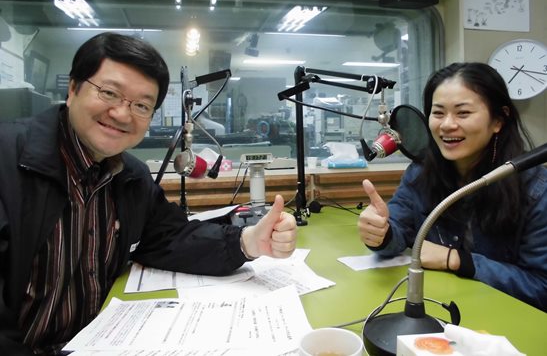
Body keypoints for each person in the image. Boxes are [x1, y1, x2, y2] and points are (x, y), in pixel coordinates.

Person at [0, 32, 297, 355]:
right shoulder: (7, 163)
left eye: (141, 105)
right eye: (109, 93)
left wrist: (248, 242)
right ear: (73, 89)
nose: (122, 114)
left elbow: (168, 238)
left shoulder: (130, 176)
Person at [358, 62, 547, 311]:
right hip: (438, 306)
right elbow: (398, 230)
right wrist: (381, 233)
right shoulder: (420, 171)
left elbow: (541, 288)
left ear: (498, 120)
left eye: (463, 113)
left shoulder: (536, 189)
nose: (447, 124)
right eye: (438, 113)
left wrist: (456, 260)